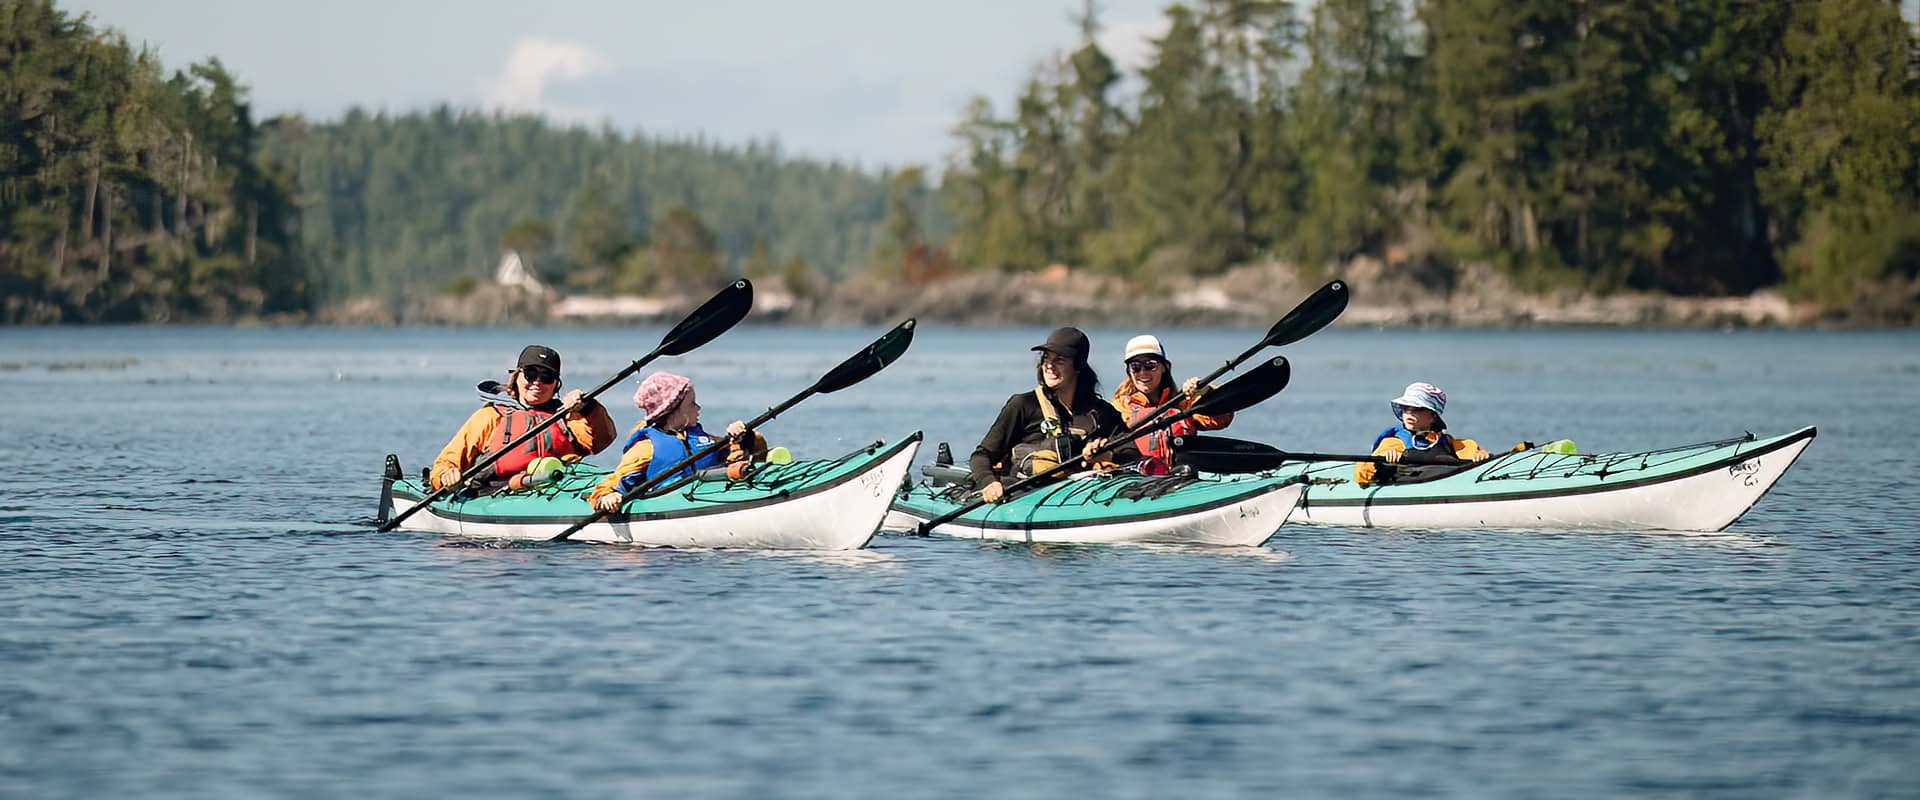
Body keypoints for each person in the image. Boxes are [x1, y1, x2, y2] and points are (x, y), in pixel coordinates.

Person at [971, 327, 1137, 503]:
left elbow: (1132, 452)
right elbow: (981, 456)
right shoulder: (1023, 405)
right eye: (1046, 358)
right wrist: (989, 483)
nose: (1049, 365)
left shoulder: (1101, 412)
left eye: (1060, 360)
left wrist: (1107, 454)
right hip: (1027, 497)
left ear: (1078, 366)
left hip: (1084, 499)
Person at [431, 345, 617, 491]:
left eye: (546, 377)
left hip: (558, 488)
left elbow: (601, 440)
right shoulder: (491, 416)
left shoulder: (567, 415)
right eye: (531, 374)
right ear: (517, 376)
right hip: (498, 491)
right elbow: (447, 462)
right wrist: (446, 475)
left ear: (556, 384)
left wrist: (588, 406)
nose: (537, 382)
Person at [590, 371, 767, 512]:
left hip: (708, 497)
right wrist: (606, 497)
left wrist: (739, 439)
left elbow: (750, 457)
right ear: (674, 410)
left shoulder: (703, 439)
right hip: (669, 506)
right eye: (692, 403)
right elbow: (611, 484)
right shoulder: (646, 448)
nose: (698, 408)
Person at [1110, 334, 1234, 476]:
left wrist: (1205, 391)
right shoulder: (1119, 409)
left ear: (1164, 367)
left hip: (1183, 479)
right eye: (1136, 367)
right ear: (1129, 371)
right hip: (1139, 483)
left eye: (1150, 365)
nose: (1143, 373)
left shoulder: (1183, 403)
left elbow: (1221, 419)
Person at [1355, 381, 1490, 487]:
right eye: (1405, 408)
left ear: (1432, 416)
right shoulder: (1394, 442)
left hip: (1446, 486)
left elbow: (1473, 455)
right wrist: (1383, 460)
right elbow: (1362, 473)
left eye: (1416, 409)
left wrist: (1480, 456)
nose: (1409, 413)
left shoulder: (1452, 443)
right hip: (1409, 487)